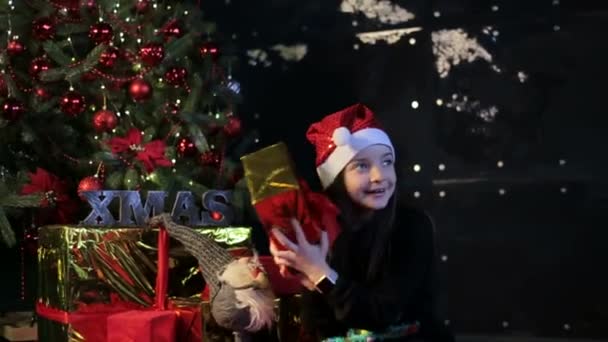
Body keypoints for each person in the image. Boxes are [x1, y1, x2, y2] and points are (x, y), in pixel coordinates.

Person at [270, 103, 455, 341]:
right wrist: (295, 259)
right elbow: (317, 324)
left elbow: (382, 314)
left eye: (387, 162)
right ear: (337, 178)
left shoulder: (412, 226)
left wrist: (320, 274)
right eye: (362, 166)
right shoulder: (323, 229)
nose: (380, 176)